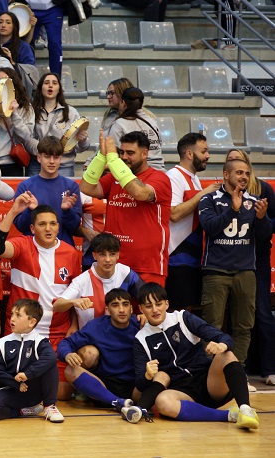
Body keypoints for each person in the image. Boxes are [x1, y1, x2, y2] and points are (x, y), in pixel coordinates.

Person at [0, 198, 82, 402]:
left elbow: (75, 293)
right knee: (14, 386)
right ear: (32, 228)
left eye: (53, 224)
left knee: (62, 394)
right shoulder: (22, 244)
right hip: (21, 332)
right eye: (42, 224)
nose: (48, 229)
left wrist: (74, 323)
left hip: (56, 333)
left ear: (58, 226)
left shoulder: (71, 253)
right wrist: (13, 211)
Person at [132, 283, 259, 429]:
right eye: (148, 306)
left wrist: (220, 346)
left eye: (159, 304)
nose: (155, 310)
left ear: (166, 304)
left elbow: (224, 338)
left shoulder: (183, 318)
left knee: (226, 355)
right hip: (182, 392)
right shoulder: (141, 339)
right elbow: (140, 383)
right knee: (162, 401)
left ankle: (245, 409)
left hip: (209, 383)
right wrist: (148, 375)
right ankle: (230, 416)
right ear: (141, 309)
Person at [198, 157, 271, 369]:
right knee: (211, 326)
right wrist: (233, 210)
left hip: (245, 271)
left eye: (247, 173)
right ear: (226, 175)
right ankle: (209, 376)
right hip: (216, 271)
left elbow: (264, 237)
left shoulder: (255, 201)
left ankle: (237, 374)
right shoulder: (209, 199)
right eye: (239, 173)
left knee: (244, 326)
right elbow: (210, 227)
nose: (244, 177)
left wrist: (262, 218)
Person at [80, 130, 172, 286]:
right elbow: (86, 187)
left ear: (145, 154)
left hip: (147, 267)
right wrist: (101, 157)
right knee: (114, 311)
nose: (124, 157)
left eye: (130, 153)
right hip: (114, 266)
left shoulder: (159, 178)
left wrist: (113, 159)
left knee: (147, 310)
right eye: (121, 152)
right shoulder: (115, 177)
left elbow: (139, 192)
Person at [57, 288, 147, 422]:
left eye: (125, 304)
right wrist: (68, 354)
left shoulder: (141, 325)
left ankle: (128, 403)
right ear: (108, 310)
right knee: (71, 369)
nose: (121, 310)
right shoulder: (96, 326)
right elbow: (65, 343)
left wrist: (148, 317)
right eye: (115, 305)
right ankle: (116, 402)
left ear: (132, 309)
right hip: (104, 386)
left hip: (134, 386)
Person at [225, 149, 275, 386]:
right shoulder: (220, 194)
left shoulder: (263, 190)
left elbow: (270, 228)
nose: (241, 173)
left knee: (263, 314)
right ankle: (232, 369)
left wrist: (262, 218)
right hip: (232, 262)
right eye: (233, 164)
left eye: (243, 165)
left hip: (258, 261)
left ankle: (269, 368)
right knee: (233, 317)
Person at [0, 299, 65, 422]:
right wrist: (15, 383)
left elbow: (51, 358)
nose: (12, 319)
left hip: (35, 391)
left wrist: (28, 374)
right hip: (12, 389)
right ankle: (23, 411)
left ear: (32, 322)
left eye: (18, 315)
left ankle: (49, 406)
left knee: (50, 362)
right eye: (12, 314)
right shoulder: (2, 343)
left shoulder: (40, 341)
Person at [165, 132, 218, 310]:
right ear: (189, 154)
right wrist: (202, 195)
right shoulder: (174, 176)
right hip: (176, 258)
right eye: (204, 151)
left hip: (193, 259)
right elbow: (172, 213)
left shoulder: (194, 178)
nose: (208, 156)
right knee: (179, 313)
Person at [53, 233, 144, 328]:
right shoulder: (81, 281)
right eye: (102, 254)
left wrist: (145, 314)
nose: (108, 259)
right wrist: (73, 302)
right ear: (94, 255)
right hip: (88, 338)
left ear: (118, 255)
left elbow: (147, 296)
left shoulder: (126, 273)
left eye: (112, 254)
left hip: (119, 335)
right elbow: (57, 305)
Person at [13, 136, 82, 246]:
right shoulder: (25, 187)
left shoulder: (71, 187)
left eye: (56, 157)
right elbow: (20, 226)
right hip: (32, 251)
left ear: (61, 159)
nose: (51, 161)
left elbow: (74, 227)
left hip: (62, 249)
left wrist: (66, 211)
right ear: (39, 158)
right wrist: (31, 211)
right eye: (47, 157)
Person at [23, 72, 89, 177]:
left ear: (59, 89)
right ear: (40, 88)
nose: (50, 86)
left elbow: (81, 147)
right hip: (37, 165)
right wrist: (45, 152)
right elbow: (26, 138)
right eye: (46, 83)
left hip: (63, 166)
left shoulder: (71, 112)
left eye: (54, 83)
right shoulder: (30, 111)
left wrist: (83, 140)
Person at [106, 87, 163, 171]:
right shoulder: (152, 121)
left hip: (136, 174)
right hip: (160, 172)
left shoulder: (119, 124)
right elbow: (160, 145)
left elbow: (112, 153)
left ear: (123, 103)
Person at [0, 11, 37, 81]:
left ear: (14, 26)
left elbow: (31, 71)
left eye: (8, 22)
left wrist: (13, 63)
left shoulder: (23, 47)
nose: (3, 25)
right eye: (0, 22)